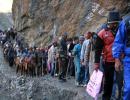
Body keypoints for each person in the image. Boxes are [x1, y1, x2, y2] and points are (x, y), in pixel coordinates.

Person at [94, 11, 121, 100]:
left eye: (115, 23)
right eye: (112, 23)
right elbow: (97, 50)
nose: (114, 25)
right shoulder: (102, 33)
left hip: (120, 61)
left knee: (120, 81)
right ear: (109, 22)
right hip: (108, 61)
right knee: (108, 82)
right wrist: (96, 63)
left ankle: (119, 97)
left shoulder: (121, 30)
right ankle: (106, 98)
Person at [112, 13, 130, 100]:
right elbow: (118, 42)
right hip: (128, 60)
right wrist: (117, 59)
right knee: (129, 88)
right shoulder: (126, 22)